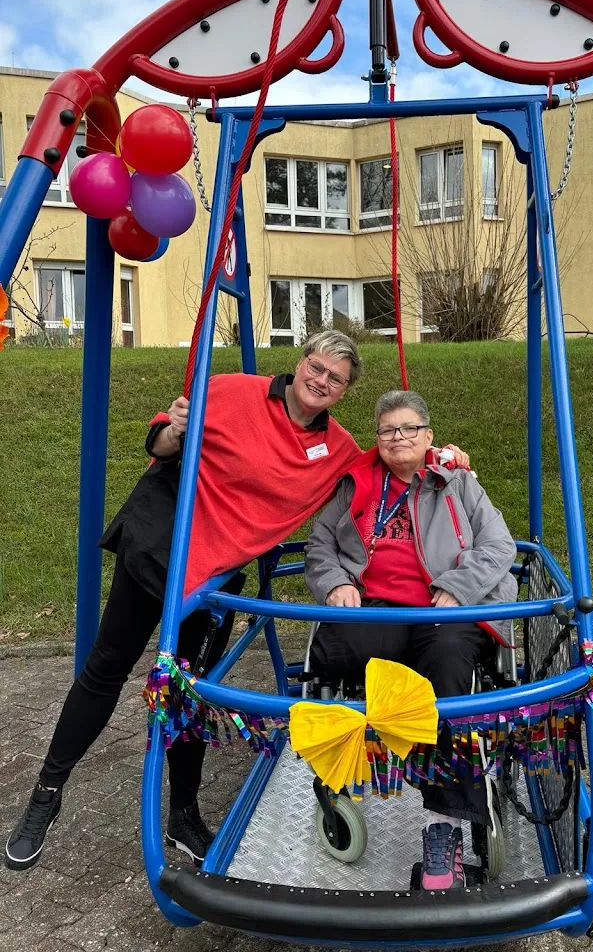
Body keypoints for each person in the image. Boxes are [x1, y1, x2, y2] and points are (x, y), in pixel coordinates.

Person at [4, 328, 467, 874]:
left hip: (217, 576)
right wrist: (172, 431)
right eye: (317, 367)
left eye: (336, 379)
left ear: (344, 391)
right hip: (162, 548)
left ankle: (182, 814)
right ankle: (47, 792)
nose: (321, 381)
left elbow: (390, 457)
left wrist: (440, 453)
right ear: (301, 363)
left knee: (192, 690)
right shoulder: (230, 390)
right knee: (108, 667)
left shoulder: (337, 449)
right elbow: (159, 440)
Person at [304, 389, 517, 891]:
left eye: (408, 428)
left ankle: (443, 823)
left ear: (428, 435)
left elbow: (498, 545)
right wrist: (334, 583)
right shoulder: (357, 484)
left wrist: (458, 587)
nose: (398, 437)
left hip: (445, 608)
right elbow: (320, 543)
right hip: (379, 607)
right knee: (335, 651)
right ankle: (340, 773)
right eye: (387, 430)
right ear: (377, 438)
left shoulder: (457, 481)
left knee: (447, 669)